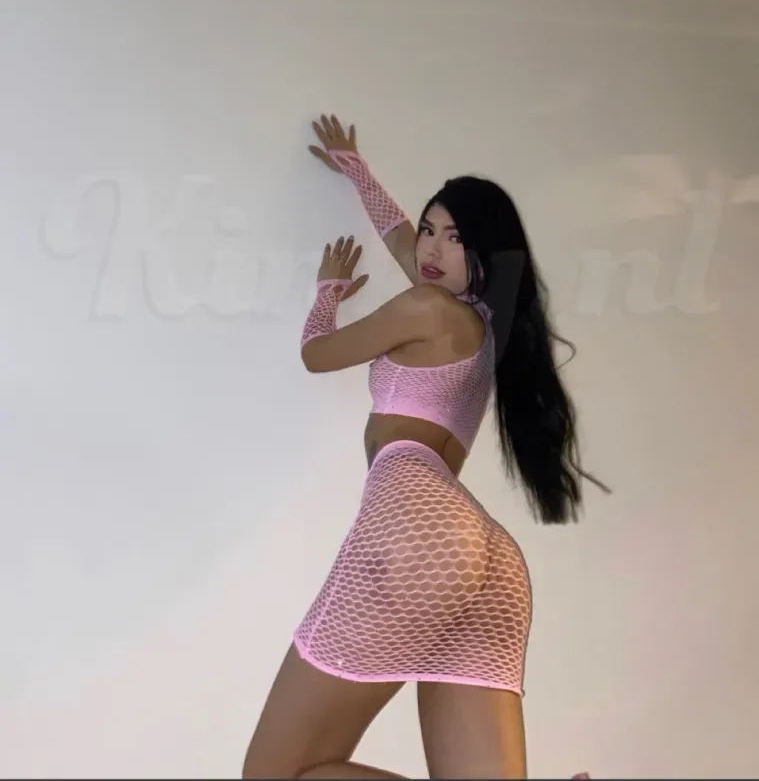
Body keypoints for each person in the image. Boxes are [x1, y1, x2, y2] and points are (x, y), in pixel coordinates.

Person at [242, 116, 604, 779]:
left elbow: (316, 355)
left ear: (484, 253)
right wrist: (356, 170)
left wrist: (326, 293)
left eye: (454, 237)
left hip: (415, 529)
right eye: (431, 229)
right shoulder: (485, 323)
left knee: (272, 775)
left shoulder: (426, 310)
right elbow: (400, 238)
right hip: (489, 563)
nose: (431, 248)